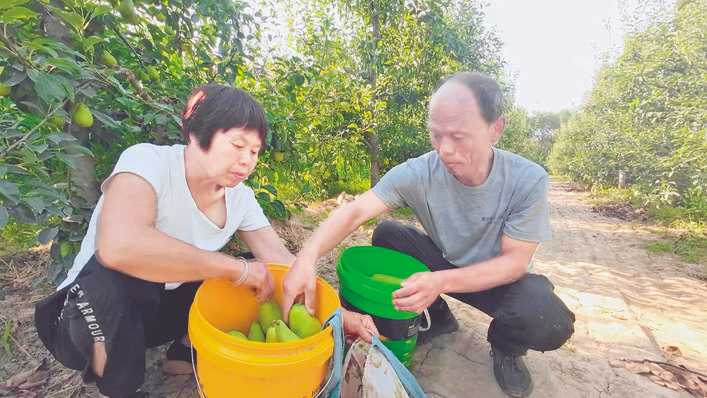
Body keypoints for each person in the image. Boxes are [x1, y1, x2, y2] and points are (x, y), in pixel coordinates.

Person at [34, 84, 376, 398]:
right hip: (81, 319)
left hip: (149, 317)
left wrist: (342, 316)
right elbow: (118, 246)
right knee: (114, 277)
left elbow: (281, 261)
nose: (247, 160)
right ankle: (120, 387)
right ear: (197, 133)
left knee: (261, 272)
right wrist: (236, 269)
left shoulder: (239, 198)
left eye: (255, 151)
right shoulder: (147, 162)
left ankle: (185, 346)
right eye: (238, 145)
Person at [281, 72, 576, 398]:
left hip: (495, 281)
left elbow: (514, 263)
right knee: (388, 234)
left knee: (548, 318)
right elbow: (354, 211)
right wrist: (307, 258)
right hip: (441, 263)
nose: (445, 149)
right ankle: (437, 318)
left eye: (458, 136)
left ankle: (506, 347)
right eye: (436, 135)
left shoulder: (527, 179)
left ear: (496, 128)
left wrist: (440, 282)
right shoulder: (419, 172)